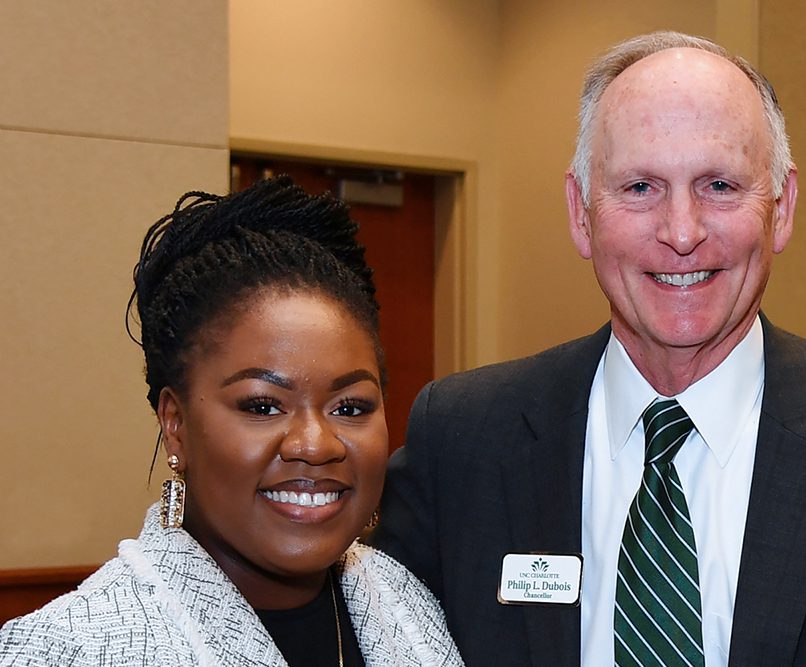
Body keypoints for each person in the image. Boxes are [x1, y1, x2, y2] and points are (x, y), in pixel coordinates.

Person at [369, 31, 806, 666]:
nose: (681, 233)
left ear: (781, 209)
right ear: (580, 214)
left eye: (719, 185)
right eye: (640, 187)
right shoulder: (462, 437)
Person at [0, 177, 464, 666]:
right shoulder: (69, 648)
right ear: (175, 422)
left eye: (349, 407)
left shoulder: (408, 604)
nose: (315, 443)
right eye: (263, 406)